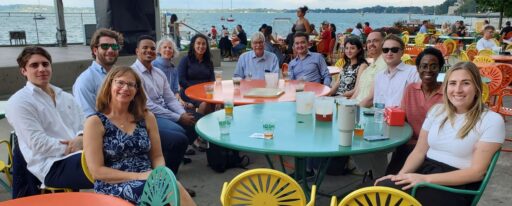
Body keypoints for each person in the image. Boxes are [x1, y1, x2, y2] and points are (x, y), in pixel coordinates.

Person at [375, 62, 505, 206]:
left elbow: (476, 172)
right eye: (452, 83)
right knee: (374, 191)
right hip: (425, 171)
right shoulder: (437, 111)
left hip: (456, 185)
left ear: (477, 87)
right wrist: (401, 176)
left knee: (392, 201)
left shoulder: (491, 120)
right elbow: (419, 152)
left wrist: (425, 179)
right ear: (446, 87)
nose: (458, 90)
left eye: (466, 83)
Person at [83, 66, 196, 205]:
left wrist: (159, 175)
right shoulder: (95, 122)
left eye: (131, 85)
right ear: (109, 84)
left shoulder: (146, 117)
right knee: (172, 191)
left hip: (148, 178)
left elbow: (157, 156)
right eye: (120, 82)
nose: (125, 88)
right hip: (113, 184)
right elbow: (97, 172)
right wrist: (140, 177)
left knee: (171, 186)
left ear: (137, 91)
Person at [6, 46, 93, 191]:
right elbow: (38, 143)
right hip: (51, 166)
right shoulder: (19, 101)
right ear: (23, 71)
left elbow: (84, 125)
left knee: (120, 158)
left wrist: (82, 137)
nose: (41, 69)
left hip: (81, 154)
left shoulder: (65, 96)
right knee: (106, 168)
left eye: (45, 64)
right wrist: (73, 146)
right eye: (34, 65)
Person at [131, 35, 191, 176]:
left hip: (164, 111)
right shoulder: (133, 73)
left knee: (196, 123)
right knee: (180, 134)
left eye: (152, 48)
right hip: (147, 116)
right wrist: (178, 117)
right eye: (145, 48)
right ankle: (166, 176)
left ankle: (169, 162)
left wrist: (182, 113)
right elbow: (148, 106)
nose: (149, 51)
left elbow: (170, 98)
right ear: (137, 51)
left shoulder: (158, 73)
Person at [385, 47, 445, 175]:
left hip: (434, 149)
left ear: (440, 68)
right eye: (424, 66)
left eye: (433, 66)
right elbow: (403, 118)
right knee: (390, 178)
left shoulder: (447, 94)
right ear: (418, 69)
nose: (428, 70)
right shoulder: (410, 89)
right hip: (408, 145)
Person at [73, 28, 123, 118]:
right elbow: (87, 117)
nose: (111, 50)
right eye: (105, 46)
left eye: (115, 46)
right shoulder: (85, 80)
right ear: (95, 50)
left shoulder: (121, 75)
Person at [374, 34, 420, 108]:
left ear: (402, 52)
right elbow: (377, 104)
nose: (389, 53)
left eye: (394, 50)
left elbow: (418, 102)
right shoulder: (379, 76)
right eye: (385, 50)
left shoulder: (413, 72)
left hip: (404, 118)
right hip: (382, 117)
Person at [152, 37, 194, 110]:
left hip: (171, 101)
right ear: (159, 50)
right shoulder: (153, 65)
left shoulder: (173, 69)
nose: (167, 49)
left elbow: (175, 90)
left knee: (190, 107)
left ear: (173, 52)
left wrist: (179, 100)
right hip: (158, 104)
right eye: (165, 47)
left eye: (170, 48)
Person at [178, 34, 215, 114]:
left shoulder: (209, 62)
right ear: (193, 45)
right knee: (205, 103)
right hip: (189, 92)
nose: (201, 46)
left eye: (203, 44)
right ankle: (197, 124)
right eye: (198, 43)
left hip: (205, 92)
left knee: (219, 102)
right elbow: (181, 80)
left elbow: (212, 80)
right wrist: (196, 89)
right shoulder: (185, 60)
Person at [350, 30, 387, 108]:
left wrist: (352, 110)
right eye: (368, 42)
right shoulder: (368, 69)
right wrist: (346, 107)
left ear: (384, 43)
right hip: (355, 108)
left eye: (375, 41)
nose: (371, 44)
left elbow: (371, 99)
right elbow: (356, 94)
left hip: (366, 112)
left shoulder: (386, 66)